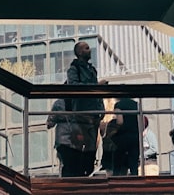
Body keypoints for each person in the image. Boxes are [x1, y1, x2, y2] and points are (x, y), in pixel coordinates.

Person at [47, 41, 103, 177]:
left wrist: (100, 111)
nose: (90, 50)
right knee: (78, 160)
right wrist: (96, 86)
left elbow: (50, 121)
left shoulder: (91, 70)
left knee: (87, 158)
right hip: (81, 120)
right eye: (86, 48)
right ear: (79, 52)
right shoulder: (74, 69)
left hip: (90, 119)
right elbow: (76, 87)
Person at [111, 96, 141, 175]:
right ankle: (135, 182)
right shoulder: (136, 104)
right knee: (134, 163)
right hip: (135, 135)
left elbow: (120, 121)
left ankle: (116, 180)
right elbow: (141, 121)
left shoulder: (118, 105)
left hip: (123, 135)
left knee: (118, 160)